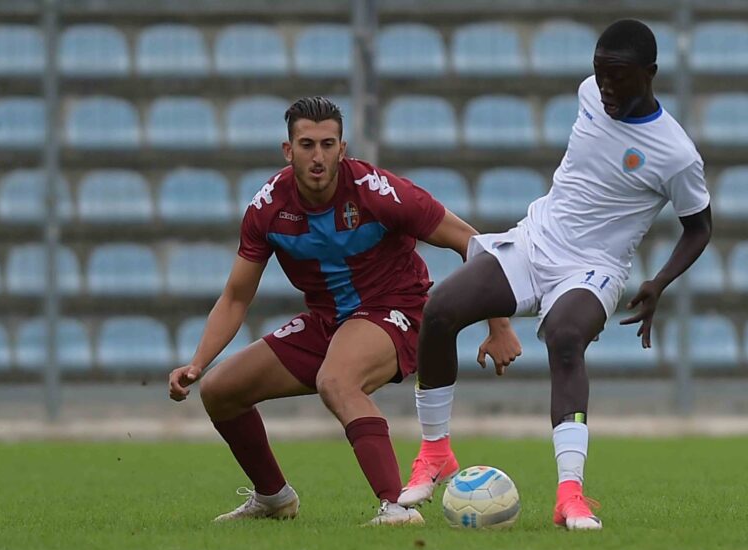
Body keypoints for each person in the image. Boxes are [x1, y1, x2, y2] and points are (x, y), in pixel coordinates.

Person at [397, 19, 713, 531]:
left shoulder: (676, 154)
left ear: (650, 74)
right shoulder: (590, 94)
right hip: (535, 241)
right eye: (599, 74)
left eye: (619, 77)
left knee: (566, 338)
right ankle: (435, 454)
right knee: (440, 310)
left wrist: (659, 281)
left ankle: (570, 496)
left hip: (593, 269)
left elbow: (699, 228)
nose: (606, 86)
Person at [167, 96, 520, 526]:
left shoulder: (381, 193)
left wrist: (498, 325)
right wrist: (199, 362)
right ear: (288, 149)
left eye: (328, 144)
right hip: (327, 322)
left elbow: (472, 243)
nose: (318, 156)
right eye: (307, 144)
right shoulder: (268, 209)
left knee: (337, 381)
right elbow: (237, 296)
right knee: (221, 390)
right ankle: (273, 497)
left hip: (397, 311)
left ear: (343, 147)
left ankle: (395, 507)